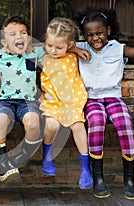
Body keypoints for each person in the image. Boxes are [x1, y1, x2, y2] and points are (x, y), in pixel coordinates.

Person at [76, 8, 134, 199]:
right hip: (91, 99)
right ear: (84, 36)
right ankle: (98, 179)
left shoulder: (117, 47)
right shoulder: (80, 46)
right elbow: (54, 44)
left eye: (99, 33)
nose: (95, 38)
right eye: (89, 35)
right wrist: (75, 48)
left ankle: (129, 179)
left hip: (113, 97)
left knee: (125, 123)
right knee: (96, 122)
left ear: (108, 31)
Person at [0, 15, 46, 182]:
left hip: (28, 102)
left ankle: (19, 157)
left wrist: (77, 49)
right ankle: (2, 165)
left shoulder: (35, 52)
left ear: (28, 38)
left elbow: (58, 46)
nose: (19, 37)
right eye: (12, 34)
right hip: (6, 101)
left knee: (33, 123)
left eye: (23, 33)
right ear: (4, 42)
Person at [39, 17, 93, 190]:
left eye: (59, 47)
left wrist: (76, 49)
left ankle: (85, 168)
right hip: (52, 100)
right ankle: (47, 156)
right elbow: (21, 48)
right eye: (50, 45)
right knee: (52, 124)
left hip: (72, 99)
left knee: (78, 125)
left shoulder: (73, 55)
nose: (53, 50)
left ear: (69, 45)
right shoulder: (42, 55)